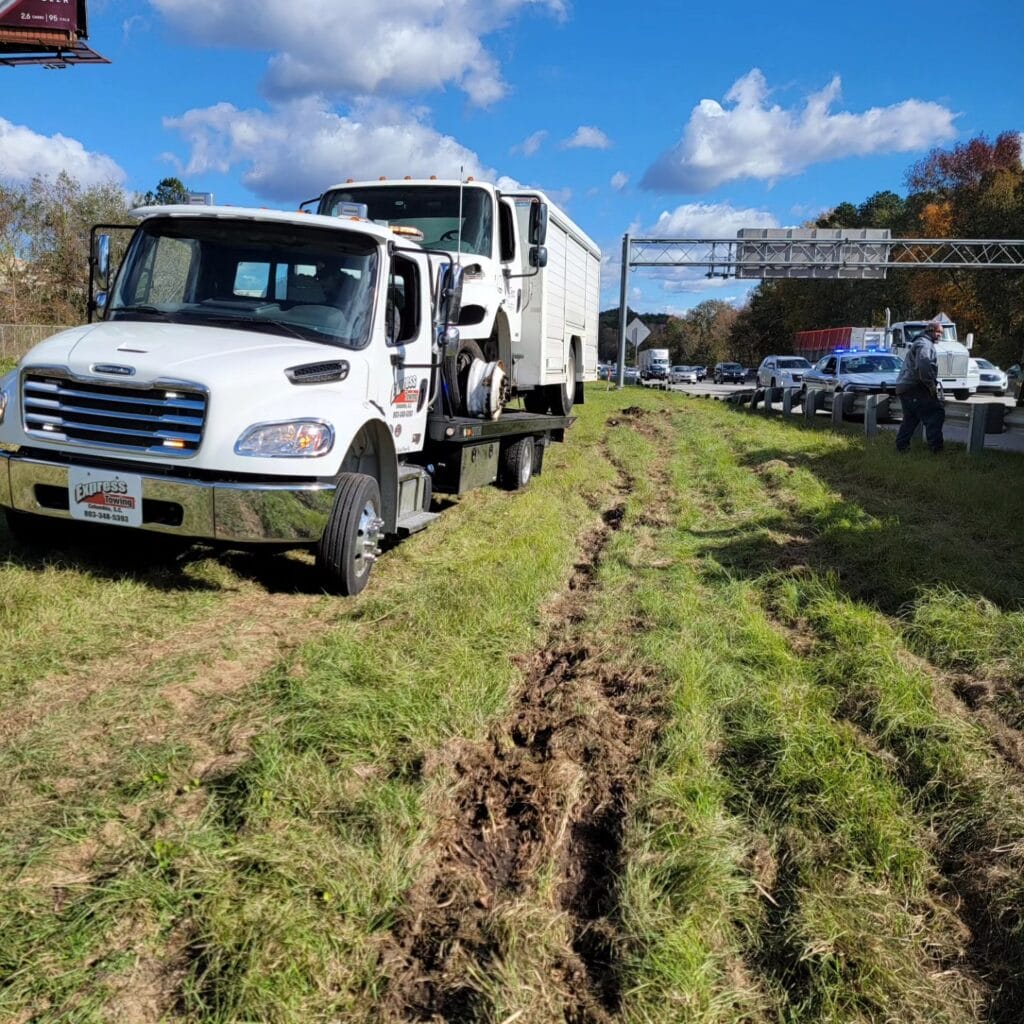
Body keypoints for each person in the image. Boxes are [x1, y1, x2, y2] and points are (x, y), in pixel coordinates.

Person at [894, 321, 945, 453]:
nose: (940, 335)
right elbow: (924, 365)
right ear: (930, 331)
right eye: (938, 332)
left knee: (910, 419)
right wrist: (930, 385)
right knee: (935, 414)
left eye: (941, 333)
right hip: (916, 386)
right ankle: (936, 450)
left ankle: (901, 448)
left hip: (905, 387)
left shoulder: (920, 343)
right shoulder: (925, 344)